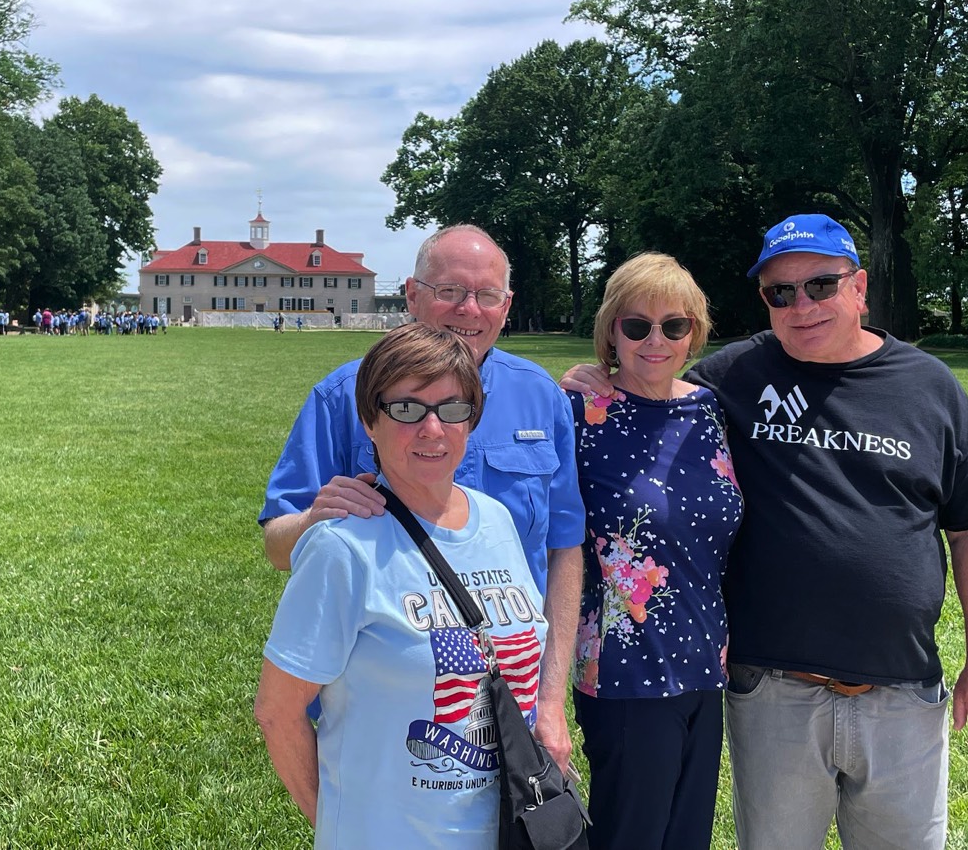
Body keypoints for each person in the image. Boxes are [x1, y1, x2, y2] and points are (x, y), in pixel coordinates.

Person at [562, 214, 968, 849]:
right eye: (781, 292)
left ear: (858, 288)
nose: (802, 305)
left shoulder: (929, 386)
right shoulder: (733, 380)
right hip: (772, 694)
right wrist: (591, 378)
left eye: (821, 286)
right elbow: (649, 380)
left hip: (902, 695)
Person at [260, 224, 585, 771]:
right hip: (388, 711)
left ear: (507, 306)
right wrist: (316, 517)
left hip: (514, 699)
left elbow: (564, 549)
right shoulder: (347, 395)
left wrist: (551, 702)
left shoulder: (541, 398)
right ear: (412, 295)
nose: (469, 310)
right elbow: (277, 544)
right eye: (450, 291)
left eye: (486, 295)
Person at [255, 323, 550, 847]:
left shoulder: (498, 520)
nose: (433, 428)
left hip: (510, 830)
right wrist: (338, 825)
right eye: (408, 409)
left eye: (453, 408)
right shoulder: (343, 547)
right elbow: (277, 712)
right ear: (370, 419)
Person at [568, 253, 742, 850]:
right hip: (624, 672)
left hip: (705, 665)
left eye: (674, 325)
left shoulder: (709, 410)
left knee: (688, 836)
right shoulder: (579, 412)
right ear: (610, 331)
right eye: (636, 325)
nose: (655, 340)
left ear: (694, 332)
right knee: (631, 835)